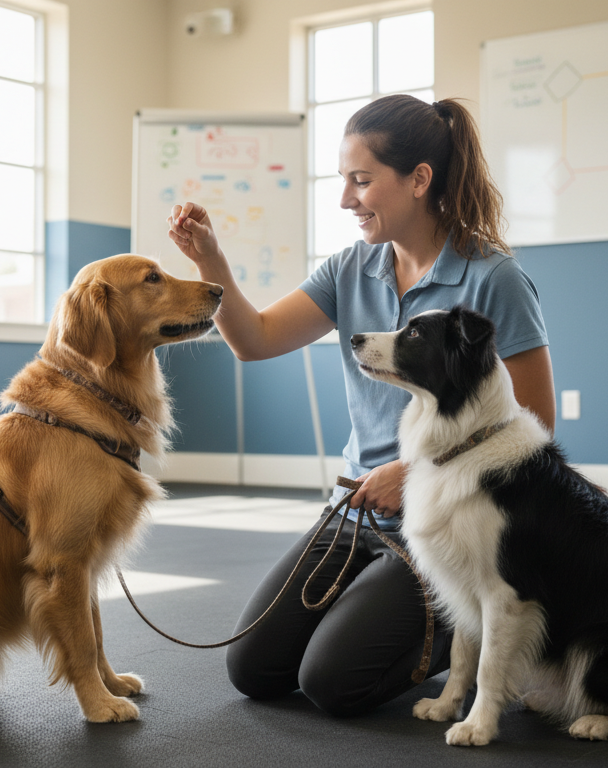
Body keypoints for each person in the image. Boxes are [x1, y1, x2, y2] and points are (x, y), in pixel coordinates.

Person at [165, 94, 555, 717]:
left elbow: (534, 427)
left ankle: (464, 624)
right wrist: (210, 260)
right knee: (254, 669)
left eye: (361, 181)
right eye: (344, 180)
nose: (346, 199)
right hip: (353, 514)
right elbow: (255, 340)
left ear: (419, 180)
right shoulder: (351, 267)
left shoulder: (493, 278)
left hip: (444, 529)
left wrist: (415, 473)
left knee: (332, 682)